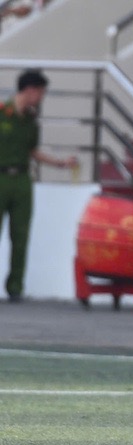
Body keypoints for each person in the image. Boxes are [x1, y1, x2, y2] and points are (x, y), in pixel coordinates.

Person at [0, 69, 78, 303]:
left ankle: (15, 286)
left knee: (20, 234)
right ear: (30, 89)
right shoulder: (3, 112)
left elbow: (32, 151)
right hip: (1, 176)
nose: (41, 98)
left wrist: (60, 163)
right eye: (41, 92)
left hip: (22, 179)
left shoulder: (30, 120)